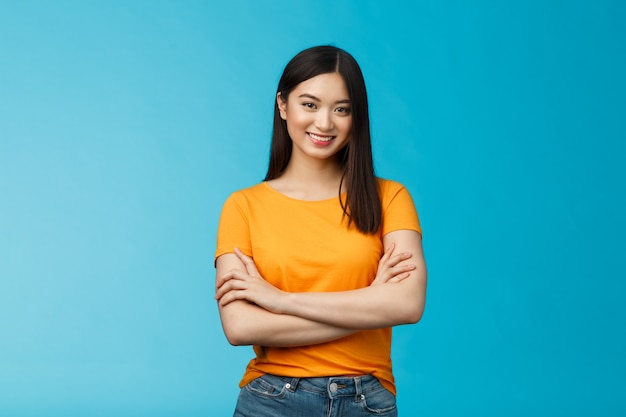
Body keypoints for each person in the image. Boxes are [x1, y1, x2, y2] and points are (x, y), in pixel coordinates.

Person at [214, 45, 426, 417]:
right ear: (283, 105)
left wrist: (281, 301)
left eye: (341, 109)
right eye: (309, 104)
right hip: (270, 398)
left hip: (366, 400)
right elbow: (240, 326)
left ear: (355, 116)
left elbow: (406, 305)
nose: (324, 123)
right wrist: (370, 303)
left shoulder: (390, 198)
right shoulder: (243, 206)